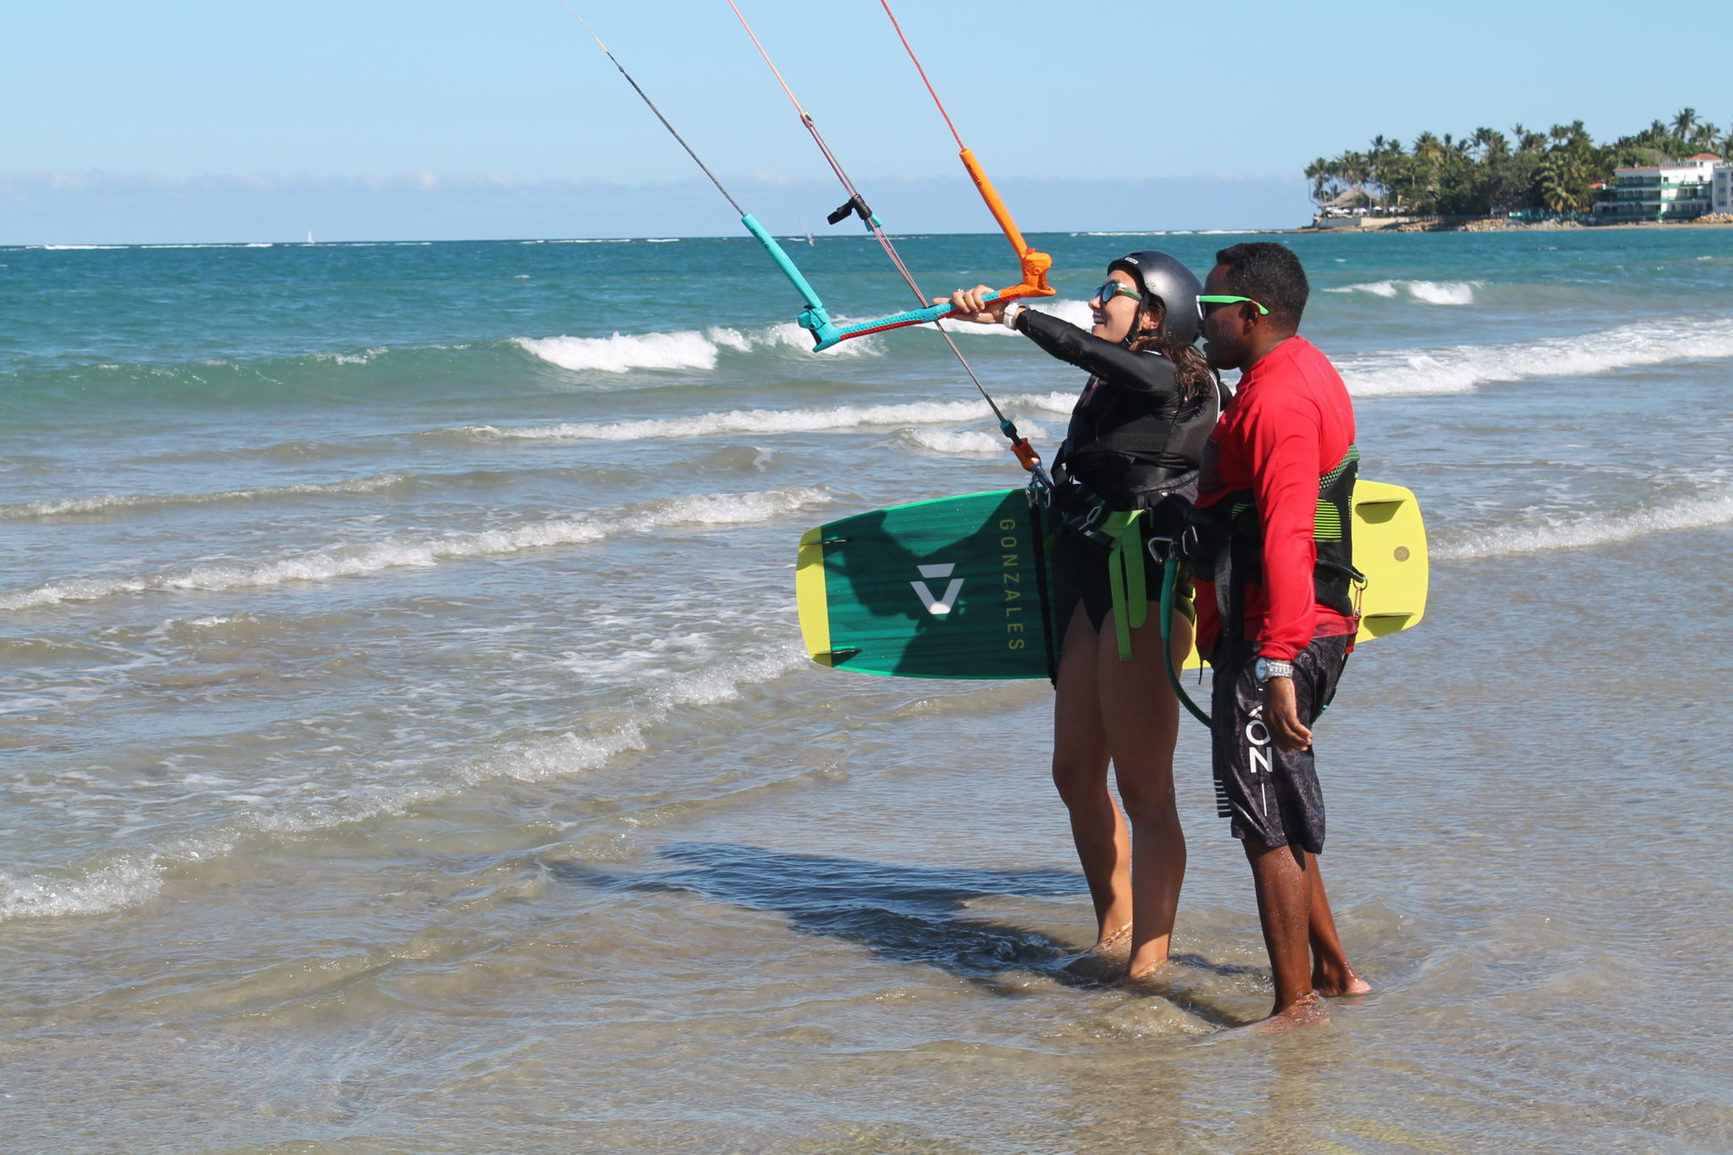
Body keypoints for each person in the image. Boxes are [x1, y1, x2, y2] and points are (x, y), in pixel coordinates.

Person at [941, 253, 1225, 980]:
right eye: (1099, 292)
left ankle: (1148, 964)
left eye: (1112, 294)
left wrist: (1010, 315)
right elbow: (1095, 394)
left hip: (1146, 590)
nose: (1097, 303)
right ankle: (1113, 926)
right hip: (1089, 582)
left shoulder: (1177, 378)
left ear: (1155, 313)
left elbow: (1087, 348)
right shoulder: (1110, 379)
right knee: (1073, 772)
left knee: (1144, 790)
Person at [1188, 241, 1373, 1030]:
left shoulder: (1277, 400)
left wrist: (1274, 661)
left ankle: (1292, 1009)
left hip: (1282, 632)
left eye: (1209, 307)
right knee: (1283, 802)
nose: (1200, 320)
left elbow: (1290, 531)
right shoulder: (1293, 370)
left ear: (1249, 314)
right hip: (1287, 626)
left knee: (1265, 821)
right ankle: (1332, 973)